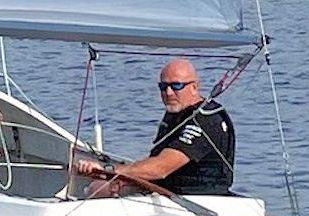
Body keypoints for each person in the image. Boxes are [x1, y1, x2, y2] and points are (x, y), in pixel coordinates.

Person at [76, 58, 235, 195]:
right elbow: (155, 161)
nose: (169, 93)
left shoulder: (207, 120)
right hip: (166, 189)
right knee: (96, 188)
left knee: (98, 189)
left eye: (177, 86)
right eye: (163, 87)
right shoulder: (176, 112)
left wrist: (108, 169)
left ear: (194, 87)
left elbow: (160, 168)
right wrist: (124, 178)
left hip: (197, 196)